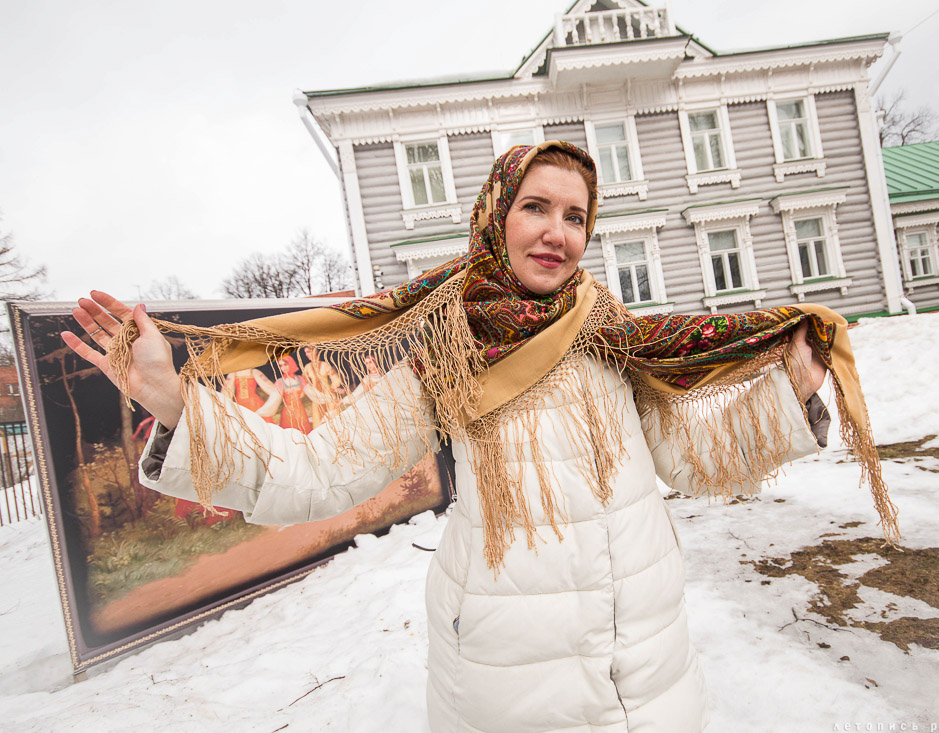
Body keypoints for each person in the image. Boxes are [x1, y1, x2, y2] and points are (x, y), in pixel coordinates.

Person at [62, 141, 897, 732]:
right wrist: (177, 403)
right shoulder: (450, 347)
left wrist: (789, 394)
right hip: (510, 685)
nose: (555, 231)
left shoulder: (614, 335)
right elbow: (317, 472)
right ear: (497, 216)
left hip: (651, 671)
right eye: (534, 206)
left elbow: (689, 457)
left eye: (575, 214)